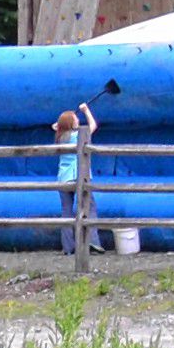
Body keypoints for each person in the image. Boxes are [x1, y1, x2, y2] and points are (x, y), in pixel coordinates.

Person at [54, 105, 96, 256]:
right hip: (79, 176)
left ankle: (68, 247)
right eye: (75, 118)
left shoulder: (60, 137)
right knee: (89, 207)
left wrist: (59, 125)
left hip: (63, 178)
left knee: (66, 212)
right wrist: (86, 111)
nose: (78, 120)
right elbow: (92, 126)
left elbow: (56, 127)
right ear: (72, 123)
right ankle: (92, 242)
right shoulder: (77, 136)